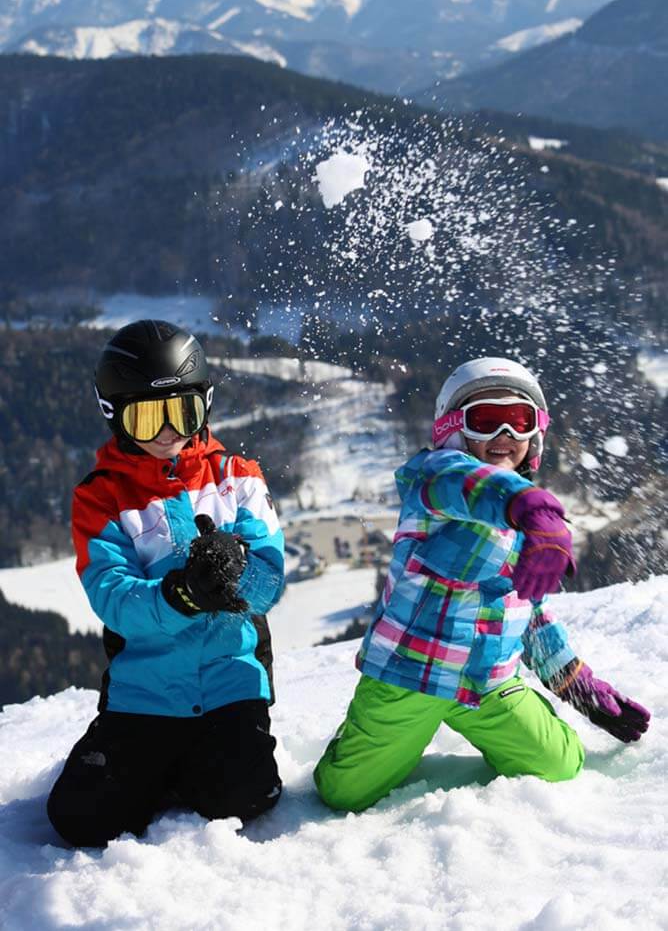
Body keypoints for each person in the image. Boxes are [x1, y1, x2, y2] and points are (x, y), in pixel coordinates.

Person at [314, 356, 650, 812]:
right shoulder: (435, 482)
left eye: (518, 422)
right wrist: (531, 506)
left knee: (560, 766)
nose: (504, 437)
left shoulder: (523, 524)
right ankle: (364, 737)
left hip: (489, 683)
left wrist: (578, 685)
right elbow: (469, 483)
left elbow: (529, 614)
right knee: (344, 793)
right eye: (487, 421)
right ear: (454, 429)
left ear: (535, 434)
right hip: (412, 677)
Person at [47, 320, 285, 847]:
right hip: (146, 692)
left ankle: (190, 769)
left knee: (244, 798)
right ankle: (150, 765)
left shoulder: (238, 478)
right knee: (79, 819)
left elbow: (270, 585)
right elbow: (112, 596)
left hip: (230, 685)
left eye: (184, 411)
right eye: (149, 415)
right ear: (115, 416)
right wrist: (181, 595)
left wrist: (236, 567)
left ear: (205, 406)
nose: (168, 432)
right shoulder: (101, 497)